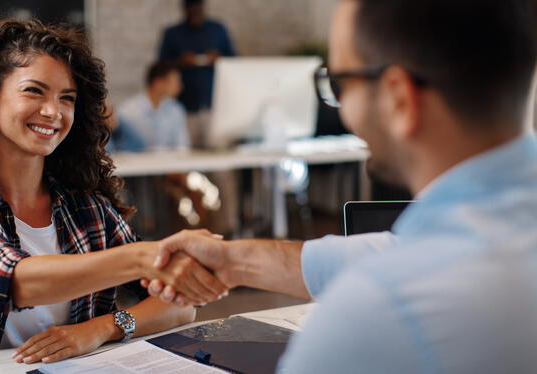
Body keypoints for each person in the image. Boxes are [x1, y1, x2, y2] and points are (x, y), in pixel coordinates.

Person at [144, 0, 537, 372]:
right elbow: (386, 251)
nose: (342, 107)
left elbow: (391, 272)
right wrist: (232, 260)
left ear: (399, 98)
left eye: (340, 82)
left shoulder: (377, 313)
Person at [0, 19, 227, 362]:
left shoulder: (87, 206)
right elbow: (12, 282)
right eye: (34, 91)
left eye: (67, 98)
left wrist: (102, 328)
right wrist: (144, 258)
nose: (53, 111)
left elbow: (179, 306)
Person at [158, 0, 236, 147]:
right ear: (184, 9)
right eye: (191, 9)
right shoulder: (173, 34)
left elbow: (234, 62)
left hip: (215, 105)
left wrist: (220, 59)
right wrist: (180, 62)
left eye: (198, 8)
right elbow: (161, 67)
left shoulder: (218, 30)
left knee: (219, 160)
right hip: (184, 107)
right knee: (187, 156)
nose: (195, 13)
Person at [111, 62, 189, 152]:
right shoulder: (127, 111)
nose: (179, 87)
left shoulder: (176, 110)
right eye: (175, 82)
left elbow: (182, 147)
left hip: (170, 164)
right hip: (137, 163)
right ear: (158, 82)